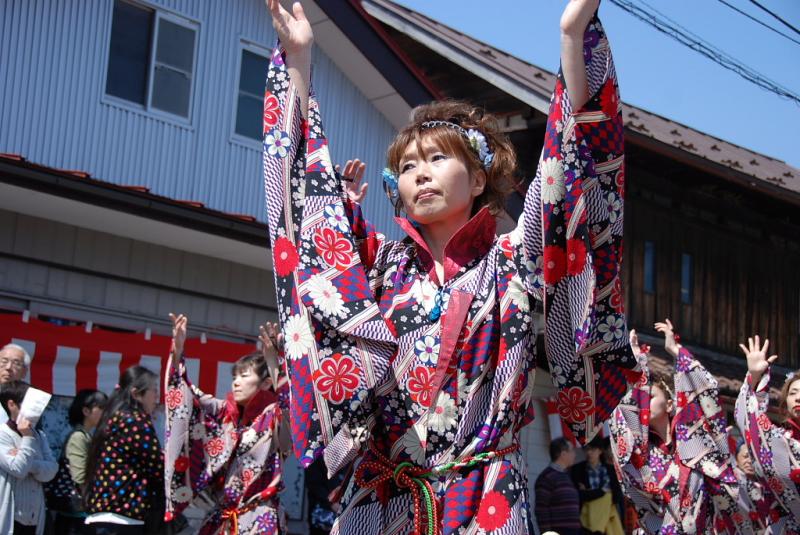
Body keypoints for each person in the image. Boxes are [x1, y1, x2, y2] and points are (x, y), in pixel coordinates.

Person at [262, 0, 637, 532]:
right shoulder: (380, 268)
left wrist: (572, 38)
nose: (420, 173)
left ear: (479, 178)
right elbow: (306, 208)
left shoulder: (513, 258)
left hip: (485, 497)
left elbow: (567, 160)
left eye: (438, 158)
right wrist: (299, 62)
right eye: (408, 165)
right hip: (384, 499)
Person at [610, 321, 752, 534]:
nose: (642, 404)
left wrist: (677, 352)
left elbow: (707, 395)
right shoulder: (639, 450)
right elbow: (623, 412)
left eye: (650, 397)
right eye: (639, 400)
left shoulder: (695, 439)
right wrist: (634, 365)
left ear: (670, 404)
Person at [163, 314, 289, 534]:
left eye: (244, 375)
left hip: (258, 518)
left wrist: (275, 363)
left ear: (266, 382)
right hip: (221, 516)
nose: (236, 382)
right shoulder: (223, 413)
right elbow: (187, 396)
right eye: (234, 376)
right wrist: (178, 352)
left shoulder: (273, 416)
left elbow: (290, 405)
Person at [83, 366, 164, 535]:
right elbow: (159, 466)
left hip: (104, 517)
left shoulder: (115, 417)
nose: (157, 396)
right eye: (154, 390)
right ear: (136, 394)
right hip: (120, 519)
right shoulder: (135, 421)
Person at [734, 335, 800, 528]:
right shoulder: (776, 440)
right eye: (793, 393)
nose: (797, 398)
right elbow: (750, 419)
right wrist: (755, 377)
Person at [0, 380, 58, 535]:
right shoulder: (2, 434)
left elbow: (51, 471)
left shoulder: (39, 436)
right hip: (8, 518)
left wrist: (31, 465)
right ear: (12, 405)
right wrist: (26, 438)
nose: (36, 413)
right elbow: (18, 468)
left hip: (33, 517)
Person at [47, 389, 108, 534]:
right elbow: (80, 476)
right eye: (101, 407)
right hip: (75, 516)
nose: (105, 412)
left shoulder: (86, 436)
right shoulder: (78, 438)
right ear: (86, 411)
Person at [570, 438, 623, 535]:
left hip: (607, 520)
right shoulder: (577, 469)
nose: (589, 452)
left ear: (600, 451)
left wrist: (589, 492)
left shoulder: (610, 470)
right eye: (587, 449)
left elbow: (616, 497)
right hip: (585, 522)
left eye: (592, 449)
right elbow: (577, 495)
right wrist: (602, 491)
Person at [535, 437, 580, 535]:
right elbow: (541, 509)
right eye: (572, 451)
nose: (574, 454)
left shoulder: (566, 475)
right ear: (563, 454)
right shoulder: (546, 477)